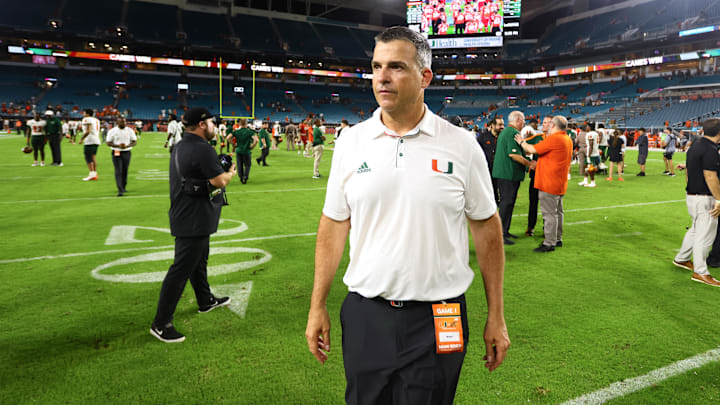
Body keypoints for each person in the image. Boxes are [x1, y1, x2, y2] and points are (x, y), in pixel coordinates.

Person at [305, 26, 509, 405]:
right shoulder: (351, 142)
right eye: (376, 66)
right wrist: (317, 305)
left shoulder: (461, 146)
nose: (382, 77)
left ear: (424, 77)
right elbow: (334, 224)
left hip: (440, 315)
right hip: (367, 312)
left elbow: (486, 228)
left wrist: (496, 315)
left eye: (396, 67)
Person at [151, 107, 237, 343]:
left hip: (187, 212)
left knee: (199, 261)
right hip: (194, 216)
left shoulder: (180, 145)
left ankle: (205, 300)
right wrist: (229, 173)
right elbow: (218, 181)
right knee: (181, 269)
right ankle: (161, 323)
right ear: (202, 124)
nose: (214, 126)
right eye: (212, 122)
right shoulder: (203, 148)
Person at [672, 119, 720, 287]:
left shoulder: (696, 145)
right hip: (704, 197)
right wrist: (719, 199)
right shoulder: (710, 149)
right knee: (705, 234)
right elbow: (710, 176)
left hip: (692, 195)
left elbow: (692, 170)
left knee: (694, 229)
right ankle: (700, 272)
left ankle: (682, 259)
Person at [516, 115, 573, 252]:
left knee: (549, 214)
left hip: (549, 182)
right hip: (559, 182)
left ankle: (549, 242)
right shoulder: (567, 138)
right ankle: (557, 238)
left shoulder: (555, 138)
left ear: (553, 125)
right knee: (558, 213)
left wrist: (521, 142)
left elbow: (532, 150)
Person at [493, 110, 535, 245]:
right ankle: (501, 234)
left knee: (508, 204)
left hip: (506, 173)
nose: (524, 123)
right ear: (518, 120)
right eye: (523, 121)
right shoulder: (512, 133)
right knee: (506, 204)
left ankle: (505, 231)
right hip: (508, 174)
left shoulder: (506, 132)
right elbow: (514, 155)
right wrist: (530, 164)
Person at [524, 117, 548, 236]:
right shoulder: (536, 138)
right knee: (533, 201)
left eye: (545, 123)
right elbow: (524, 147)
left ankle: (547, 228)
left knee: (547, 204)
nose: (542, 125)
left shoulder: (557, 139)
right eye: (542, 122)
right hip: (536, 175)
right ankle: (530, 226)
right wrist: (529, 161)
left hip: (549, 175)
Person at [106, 117, 137, 196]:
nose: (123, 123)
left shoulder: (130, 130)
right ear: (117, 122)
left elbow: (134, 141)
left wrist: (127, 146)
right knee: (118, 170)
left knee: (125, 170)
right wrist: (118, 145)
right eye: (121, 122)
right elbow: (108, 142)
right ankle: (120, 189)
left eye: (124, 122)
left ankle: (123, 186)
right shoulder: (112, 131)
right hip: (117, 151)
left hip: (127, 152)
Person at [477, 117, 503, 203]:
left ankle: (503, 201)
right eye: (500, 125)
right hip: (487, 167)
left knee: (503, 186)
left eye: (503, 124)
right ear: (492, 125)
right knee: (490, 186)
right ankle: (494, 201)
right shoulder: (483, 137)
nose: (502, 127)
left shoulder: (504, 137)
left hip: (501, 167)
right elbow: (477, 151)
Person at [226, 118, 258, 184]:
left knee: (239, 165)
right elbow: (256, 140)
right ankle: (245, 177)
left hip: (239, 150)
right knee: (247, 165)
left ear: (240, 124)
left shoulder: (237, 131)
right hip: (247, 151)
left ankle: (241, 177)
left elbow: (228, 137)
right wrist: (252, 146)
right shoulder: (250, 132)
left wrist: (233, 143)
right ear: (246, 124)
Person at [80, 109, 101, 181]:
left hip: (90, 140)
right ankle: (94, 174)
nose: (83, 114)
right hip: (96, 140)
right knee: (93, 157)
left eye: (84, 113)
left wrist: (81, 139)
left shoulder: (87, 119)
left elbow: (88, 131)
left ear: (88, 114)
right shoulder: (96, 120)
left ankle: (91, 174)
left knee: (88, 158)